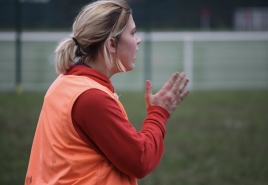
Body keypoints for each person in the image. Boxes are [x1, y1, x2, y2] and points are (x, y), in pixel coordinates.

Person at [25, 0, 189, 184]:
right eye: (133, 33)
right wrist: (159, 113)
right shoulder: (91, 98)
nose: (138, 40)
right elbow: (140, 160)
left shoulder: (65, 83)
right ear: (111, 44)